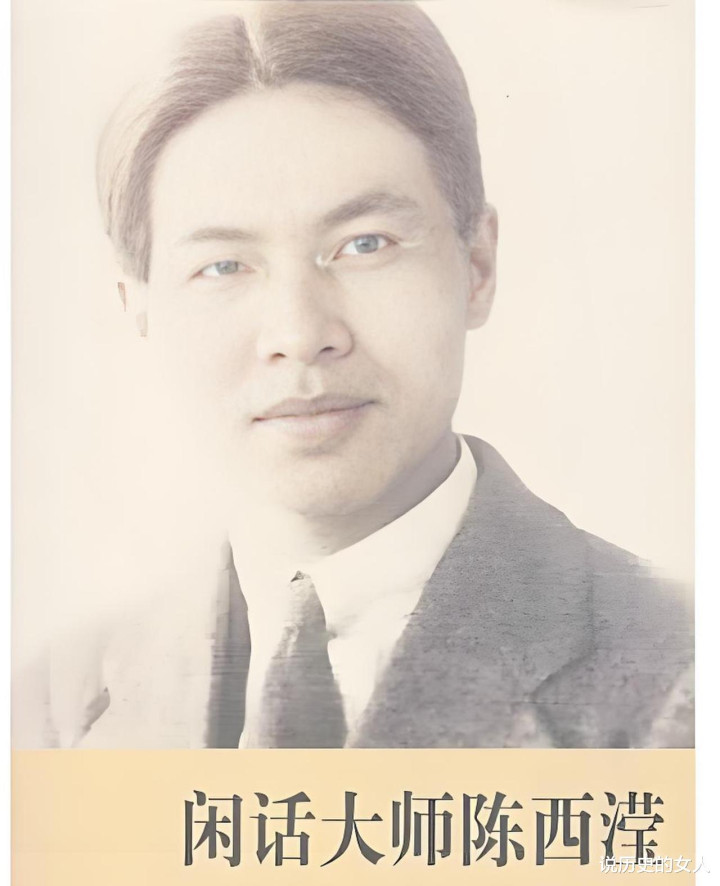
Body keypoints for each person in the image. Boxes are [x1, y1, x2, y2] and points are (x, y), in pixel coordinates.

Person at [14, 0, 693, 749]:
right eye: (224, 266)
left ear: (477, 265)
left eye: (365, 244)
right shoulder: (50, 705)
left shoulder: (682, 671)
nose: (300, 335)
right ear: (137, 307)